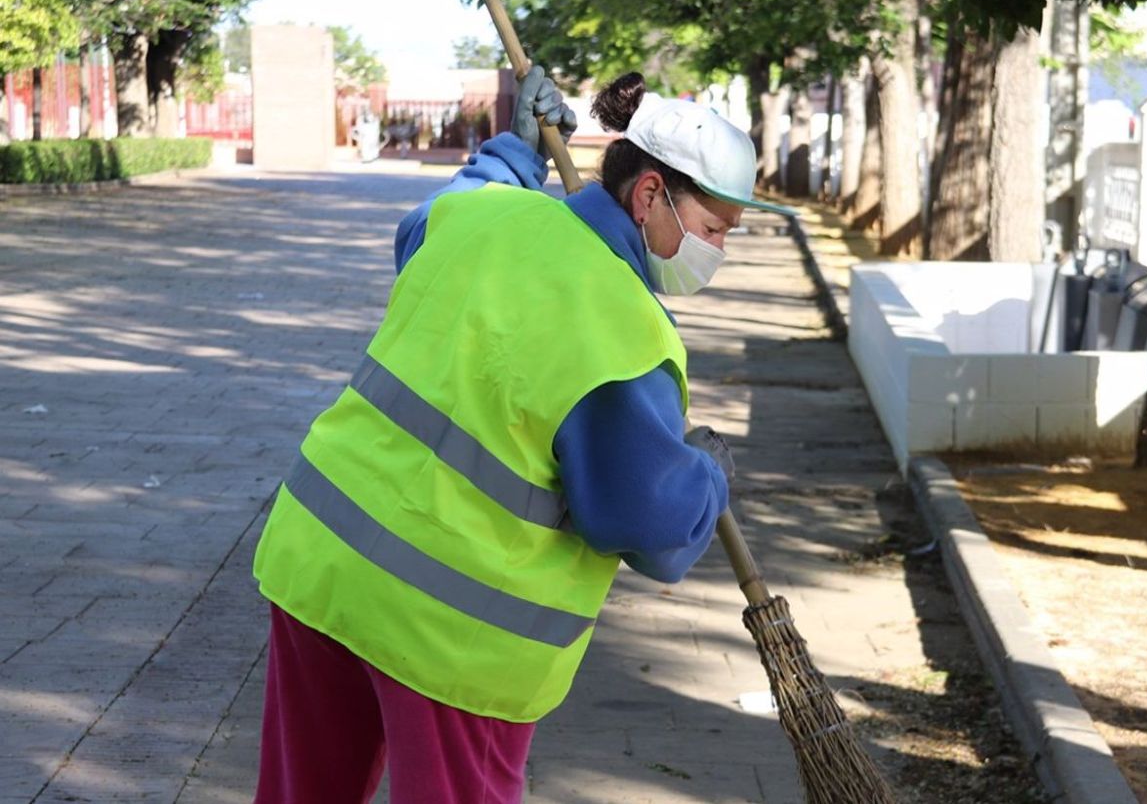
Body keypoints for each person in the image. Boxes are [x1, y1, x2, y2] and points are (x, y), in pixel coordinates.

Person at [250, 65, 795, 804]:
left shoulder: (490, 216)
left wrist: (514, 151)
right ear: (648, 195)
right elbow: (645, 526)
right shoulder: (626, 331)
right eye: (711, 229)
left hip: (320, 562)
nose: (718, 254)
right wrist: (704, 474)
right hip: (450, 632)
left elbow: (423, 225)